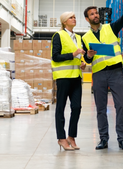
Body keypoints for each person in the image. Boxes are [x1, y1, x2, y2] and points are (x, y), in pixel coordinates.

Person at [82, 4, 123, 150]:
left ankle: (121, 139)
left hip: (116, 72)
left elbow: (121, 21)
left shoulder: (110, 28)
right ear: (87, 19)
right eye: (92, 14)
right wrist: (88, 55)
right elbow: (87, 59)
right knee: (101, 108)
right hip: (99, 74)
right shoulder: (85, 37)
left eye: (96, 13)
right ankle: (103, 139)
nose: (96, 16)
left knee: (120, 105)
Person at [52, 12, 85, 151]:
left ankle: (71, 137)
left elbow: (79, 57)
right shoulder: (58, 35)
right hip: (63, 77)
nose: (74, 19)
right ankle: (61, 138)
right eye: (71, 17)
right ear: (64, 22)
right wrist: (73, 54)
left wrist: (82, 62)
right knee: (61, 107)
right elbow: (55, 57)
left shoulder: (78, 37)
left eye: (75, 17)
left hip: (76, 76)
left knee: (77, 107)